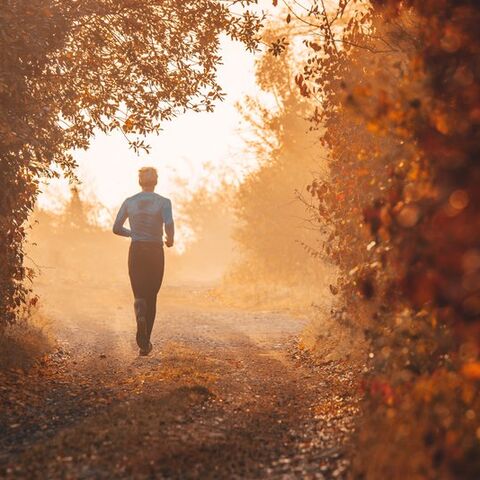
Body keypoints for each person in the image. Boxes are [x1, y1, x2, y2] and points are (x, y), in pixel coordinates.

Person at [113, 167, 174, 356]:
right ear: (156, 181)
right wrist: (170, 240)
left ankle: (140, 314)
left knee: (140, 295)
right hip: (155, 251)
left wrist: (133, 233)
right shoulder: (164, 202)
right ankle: (145, 344)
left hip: (136, 251)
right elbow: (169, 224)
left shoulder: (129, 202)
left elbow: (116, 228)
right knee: (152, 296)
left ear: (139, 182)